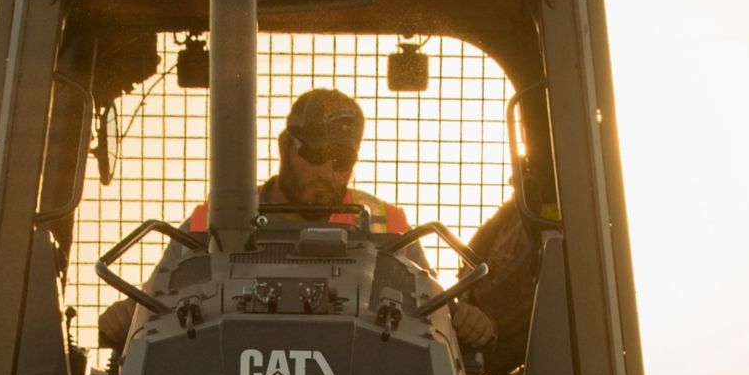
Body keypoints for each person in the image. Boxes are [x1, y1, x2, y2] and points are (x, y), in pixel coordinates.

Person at [97, 87, 498, 352]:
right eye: (316, 154)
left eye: (342, 160)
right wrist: (127, 314)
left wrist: (463, 317)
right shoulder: (215, 218)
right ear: (285, 146)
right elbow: (159, 299)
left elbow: (430, 308)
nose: (327, 172)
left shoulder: (386, 222)